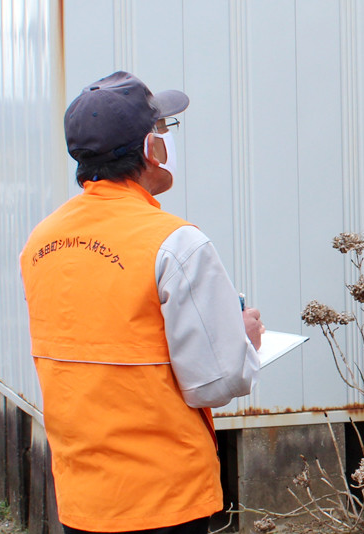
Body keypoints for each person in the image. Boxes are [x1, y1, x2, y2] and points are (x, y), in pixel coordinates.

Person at [20, 71, 264, 534]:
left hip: (81, 491)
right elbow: (215, 381)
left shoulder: (42, 241)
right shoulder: (176, 243)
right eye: (164, 129)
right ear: (151, 149)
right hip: (163, 494)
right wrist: (245, 340)